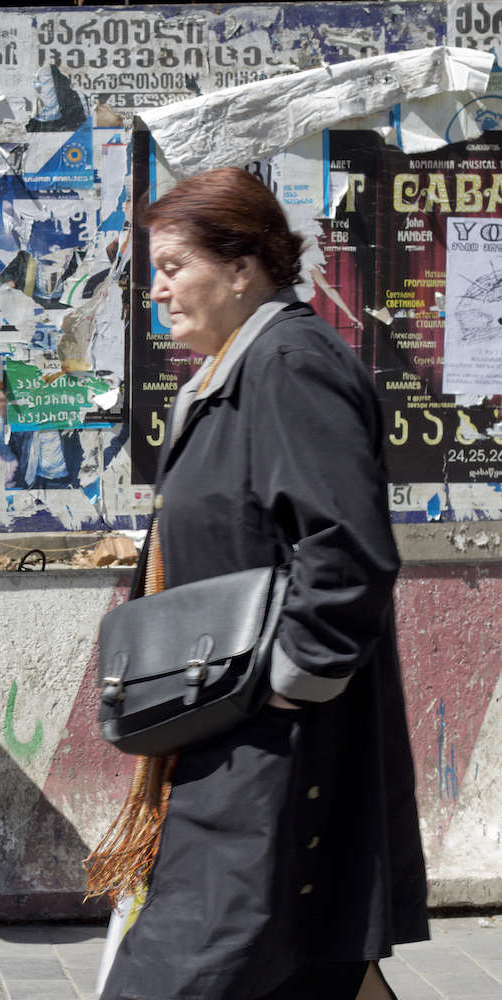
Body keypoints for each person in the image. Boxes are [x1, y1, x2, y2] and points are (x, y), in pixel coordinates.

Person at [90, 167, 424, 1000]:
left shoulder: (289, 365)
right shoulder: (229, 373)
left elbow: (346, 548)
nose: (158, 290)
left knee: (183, 974)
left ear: (241, 268)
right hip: (225, 724)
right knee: (317, 974)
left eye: (174, 267)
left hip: (271, 740)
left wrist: (285, 686)